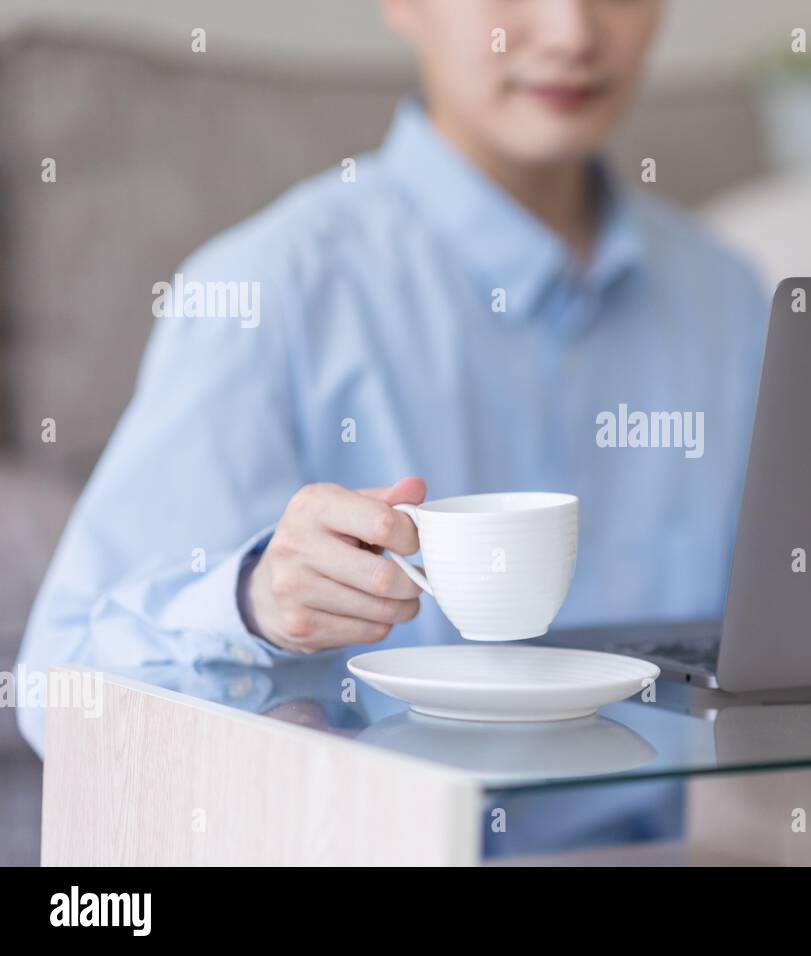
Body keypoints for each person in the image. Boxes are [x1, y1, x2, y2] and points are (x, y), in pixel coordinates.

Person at [17, 0, 768, 852]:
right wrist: (252, 601)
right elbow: (59, 691)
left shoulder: (730, 297)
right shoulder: (267, 291)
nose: (570, 32)